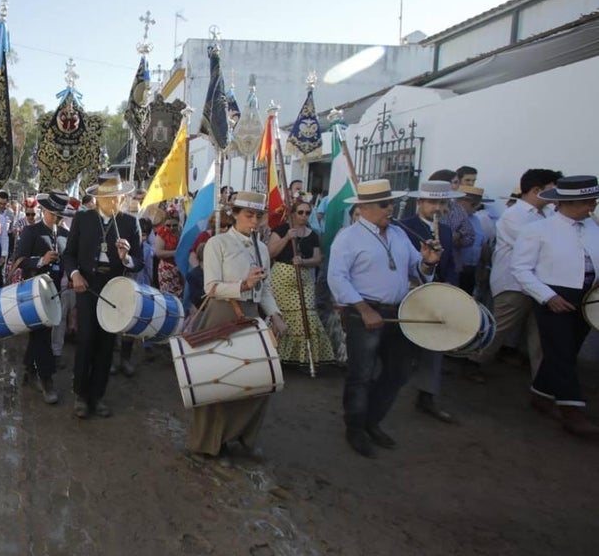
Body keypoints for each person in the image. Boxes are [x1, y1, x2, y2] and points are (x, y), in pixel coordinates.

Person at [327, 179, 442, 458]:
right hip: (363, 313)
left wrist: (428, 260)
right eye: (384, 204)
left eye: (393, 203)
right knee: (361, 374)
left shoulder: (399, 235)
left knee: (399, 371)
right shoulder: (348, 237)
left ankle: (371, 421)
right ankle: (355, 427)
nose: (391, 208)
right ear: (364, 207)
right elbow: (337, 278)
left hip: (398, 313)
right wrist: (364, 309)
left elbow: (418, 269)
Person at [189, 191, 288, 456]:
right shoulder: (217, 244)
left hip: (251, 317)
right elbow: (211, 287)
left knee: (257, 380)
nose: (254, 221)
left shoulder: (263, 249)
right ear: (234, 215)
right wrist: (243, 284)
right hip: (222, 315)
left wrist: (275, 315)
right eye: (248, 215)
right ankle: (214, 444)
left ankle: (241, 437)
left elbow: (264, 289)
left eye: (258, 216)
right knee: (220, 383)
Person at [511, 175, 599, 437]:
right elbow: (521, 269)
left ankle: (540, 395)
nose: (593, 205)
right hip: (552, 296)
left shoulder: (594, 228)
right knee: (560, 350)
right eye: (588, 201)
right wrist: (547, 296)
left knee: (567, 350)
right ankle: (572, 410)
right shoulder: (538, 230)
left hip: (587, 297)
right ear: (567, 203)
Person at [63, 173, 144, 419]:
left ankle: (97, 396)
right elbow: (69, 254)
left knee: (107, 343)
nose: (114, 201)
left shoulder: (130, 223)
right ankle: (80, 394)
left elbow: (138, 262)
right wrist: (75, 274)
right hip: (87, 285)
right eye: (109, 197)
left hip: (115, 287)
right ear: (98, 199)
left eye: (118, 197)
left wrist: (126, 258)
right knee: (86, 339)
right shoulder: (83, 219)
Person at [468, 169, 562, 381]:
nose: (556, 194)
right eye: (552, 189)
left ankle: (543, 381)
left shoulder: (545, 215)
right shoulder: (515, 216)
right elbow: (537, 248)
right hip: (513, 283)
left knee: (539, 334)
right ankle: (473, 361)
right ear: (536, 190)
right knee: (499, 328)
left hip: (539, 284)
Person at [400, 180, 463, 423]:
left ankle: (427, 396)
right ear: (420, 203)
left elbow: (450, 267)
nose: (437, 207)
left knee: (435, 346)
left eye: (441, 202)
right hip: (409, 295)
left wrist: (452, 289)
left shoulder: (446, 231)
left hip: (436, 297)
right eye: (432, 202)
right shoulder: (404, 227)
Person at [15, 192, 72, 404]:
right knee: (41, 335)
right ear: (45, 211)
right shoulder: (31, 232)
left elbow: (69, 261)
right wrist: (40, 260)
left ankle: (29, 370)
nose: (57, 219)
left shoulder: (66, 234)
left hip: (56, 291)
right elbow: (19, 260)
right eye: (54, 214)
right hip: (34, 292)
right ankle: (46, 378)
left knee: (42, 334)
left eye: (60, 215)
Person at [266, 198, 335, 368]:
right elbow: (270, 252)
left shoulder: (312, 234)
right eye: (301, 212)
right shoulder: (281, 230)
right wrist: (287, 239)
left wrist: (304, 262)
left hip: (304, 278)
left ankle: (304, 357)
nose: (304, 216)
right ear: (292, 213)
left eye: (308, 213)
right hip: (282, 276)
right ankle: (277, 354)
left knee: (309, 315)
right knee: (285, 315)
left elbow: (318, 258)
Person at [152, 205, 185, 299]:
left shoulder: (181, 231)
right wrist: (176, 252)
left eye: (174, 225)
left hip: (181, 268)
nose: (171, 228)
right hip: (167, 269)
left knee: (182, 296)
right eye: (168, 225)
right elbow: (158, 253)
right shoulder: (162, 233)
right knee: (169, 298)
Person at [0, 189, 13, 290]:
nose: (2, 206)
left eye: (4, 204)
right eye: (0, 203)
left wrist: (4, 255)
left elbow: (5, 238)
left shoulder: (6, 217)